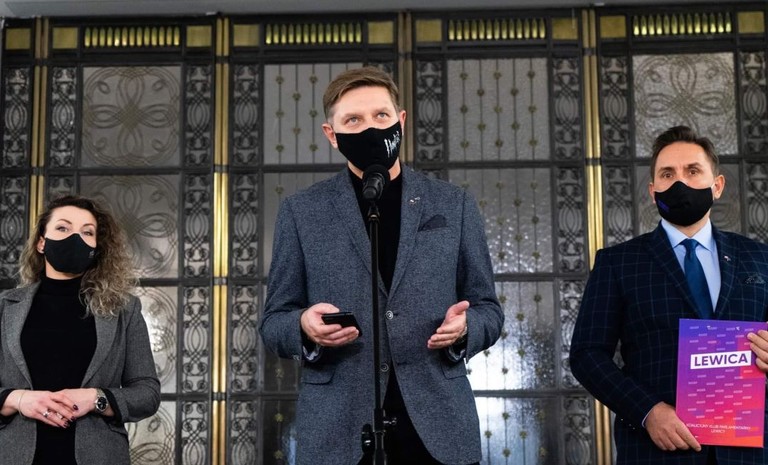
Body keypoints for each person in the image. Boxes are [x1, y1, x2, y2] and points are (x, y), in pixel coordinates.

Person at [259, 66, 504, 465]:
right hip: (338, 432)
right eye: (353, 120)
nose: (371, 129)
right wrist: (303, 326)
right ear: (331, 134)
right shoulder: (301, 212)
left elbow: (488, 310)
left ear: (400, 121)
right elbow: (273, 323)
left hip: (438, 427)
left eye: (381, 116)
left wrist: (467, 328)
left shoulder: (453, 204)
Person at [570, 125, 768, 465]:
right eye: (667, 174)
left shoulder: (760, 258)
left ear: (717, 185)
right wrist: (647, 411)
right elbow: (586, 355)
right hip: (656, 451)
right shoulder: (618, 263)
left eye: (692, 171)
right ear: (653, 191)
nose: (680, 183)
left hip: (748, 451)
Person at [0, 195, 161, 465]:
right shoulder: (5, 307)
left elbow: (147, 393)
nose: (75, 237)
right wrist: (18, 399)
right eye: (62, 228)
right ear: (41, 242)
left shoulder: (124, 309)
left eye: (87, 232)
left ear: (97, 247)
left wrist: (97, 398)